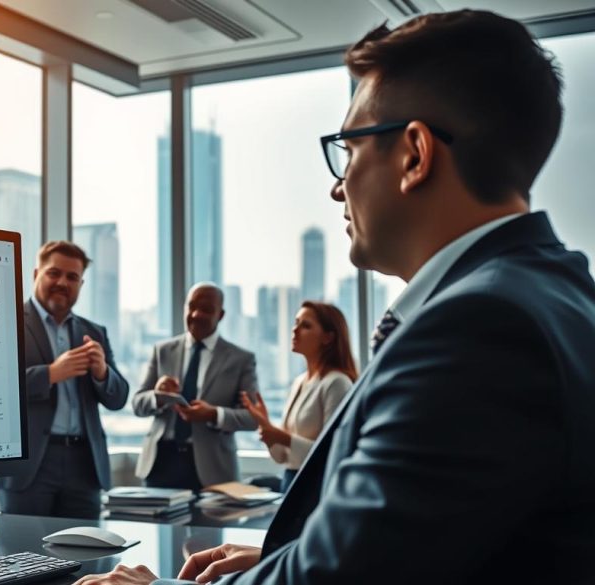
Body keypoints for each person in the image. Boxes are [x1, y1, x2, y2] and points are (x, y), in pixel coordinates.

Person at [72, 9, 595, 584]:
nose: (336, 185)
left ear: (415, 155)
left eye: (347, 150)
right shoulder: (556, 292)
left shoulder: (479, 327)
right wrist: (287, 558)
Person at [0, 241, 128, 519]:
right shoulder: (6, 322)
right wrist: (51, 373)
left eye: (72, 277)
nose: (62, 282)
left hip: (85, 464)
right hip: (30, 465)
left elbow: (119, 398)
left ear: (81, 284)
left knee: (88, 558)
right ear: (36, 275)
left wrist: (102, 372)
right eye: (54, 273)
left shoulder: (94, 332)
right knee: (21, 553)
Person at [132, 283, 258, 491]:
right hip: (160, 462)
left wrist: (213, 415)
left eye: (207, 309)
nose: (196, 314)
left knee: (209, 525)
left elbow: (253, 418)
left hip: (213, 470)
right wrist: (158, 396)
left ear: (221, 315)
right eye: (191, 306)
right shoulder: (162, 350)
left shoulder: (241, 359)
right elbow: (137, 404)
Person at [241, 301, 357, 493]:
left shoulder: (337, 383)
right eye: (296, 323)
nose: (295, 330)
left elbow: (332, 452)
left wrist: (282, 437)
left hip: (318, 487)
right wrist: (266, 425)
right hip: (291, 483)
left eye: (306, 325)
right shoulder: (299, 382)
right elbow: (282, 458)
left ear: (328, 337)